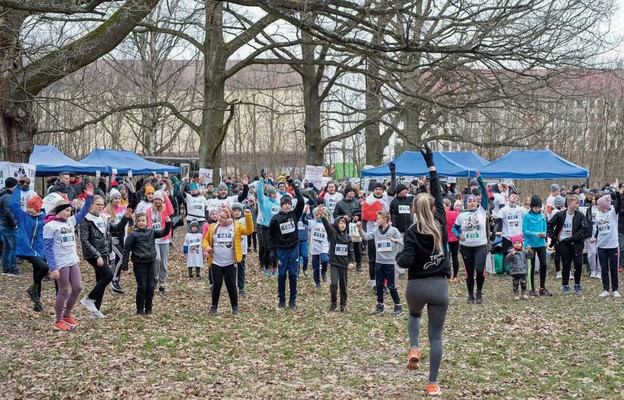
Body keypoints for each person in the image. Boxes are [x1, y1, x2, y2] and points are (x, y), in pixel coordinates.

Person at [396, 144, 450, 397]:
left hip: (416, 286)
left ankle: (414, 347)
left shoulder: (410, 232)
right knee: (437, 337)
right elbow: (438, 196)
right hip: (439, 287)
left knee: (415, 316)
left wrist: (400, 254)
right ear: (432, 208)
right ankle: (432, 383)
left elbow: (404, 261)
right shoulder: (441, 224)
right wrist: (432, 167)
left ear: (414, 209)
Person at [43, 188, 93, 331]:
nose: (69, 213)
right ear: (59, 210)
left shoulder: (70, 221)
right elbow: (47, 248)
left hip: (72, 259)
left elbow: (83, 212)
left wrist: (89, 198)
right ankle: (58, 320)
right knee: (63, 290)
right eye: (66, 211)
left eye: (70, 211)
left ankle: (67, 315)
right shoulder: (50, 226)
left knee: (78, 287)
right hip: (60, 262)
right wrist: (53, 268)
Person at [79, 195, 132, 318]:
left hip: (104, 252)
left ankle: (95, 311)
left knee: (100, 280)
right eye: (97, 204)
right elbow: (84, 240)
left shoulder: (104, 217)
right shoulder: (86, 220)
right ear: (91, 205)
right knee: (108, 275)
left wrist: (125, 218)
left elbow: (116, 229)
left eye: (102, 204)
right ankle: (89, 298)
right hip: (93, 254)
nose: (100, 207)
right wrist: (96, 255)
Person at [202, 207, 253, 315]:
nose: (220, 219)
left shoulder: (236, 227)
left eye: (223, 217)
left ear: (229, 219)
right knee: (217, 284)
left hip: (230, 262)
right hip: (216, 262)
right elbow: (205, 239)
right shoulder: (213, 227)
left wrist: (248, 216)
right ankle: (214, 307)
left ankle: (235, 307)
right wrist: (206, 247)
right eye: (219, 216)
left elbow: (249, 231)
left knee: (231, 285)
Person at [121, 213, 172, 315]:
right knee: (142, 286)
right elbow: (126, 250)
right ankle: (140, 308)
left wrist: (168, 224)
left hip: (151, 262)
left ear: (147, 222)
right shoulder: (132, 235)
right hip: (139, 263)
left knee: (151, 286)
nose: (141, 223)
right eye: (139, 221)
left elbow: (163, 233)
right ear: (136, 222)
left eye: (143, 221)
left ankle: (149, 307)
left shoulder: (151, 232)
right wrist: (125, 266)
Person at [452, 171, 489, 304]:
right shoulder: (461, 215)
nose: (472, 203)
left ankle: (479, 291)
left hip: (480, 246)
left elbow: (484, 193)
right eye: (469, 201)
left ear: (477, 202)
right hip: (466, 247)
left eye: (474, 201)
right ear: (466, 203)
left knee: (479, 269)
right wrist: (458, 235)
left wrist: (479, 179)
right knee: (469, 272)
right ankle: (470, 295)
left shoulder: (482, 210)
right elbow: (454, 228)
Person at [358, 211, 404, 316]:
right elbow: (365, 236)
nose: (376, 220)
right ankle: (380, 305)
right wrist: (360, 229)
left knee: (391, 286)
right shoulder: (375, 231)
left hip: (390, 263)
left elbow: (403, 241)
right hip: (379, 262)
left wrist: (395, 241)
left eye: (378, 218)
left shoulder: (393, 230)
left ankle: (398, 305)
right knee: (379, 285)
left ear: (385, 219)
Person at [268, 183, 305, 310]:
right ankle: (282, 299)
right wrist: (272, 251)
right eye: (285, 204)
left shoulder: (294, 215)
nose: (287, 205)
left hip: (293, 248)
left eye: (289, 203)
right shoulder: (275, 219)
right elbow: (271, 237)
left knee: (293, 275)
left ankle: (293, 300)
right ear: (281, 205)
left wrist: (294, 186)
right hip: (281, 250)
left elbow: (301, 201)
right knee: (282, 275)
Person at [9, 186, 46, 311]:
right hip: (27, 250)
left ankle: (37, 303)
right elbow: (13, 204)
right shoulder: (23, 216)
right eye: (27, 207)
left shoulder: (44, 219)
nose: (28, 209)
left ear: (37, 208)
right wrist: (19, 188)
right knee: (44, 268)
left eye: (30, 207)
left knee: (38, 274)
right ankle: (32, 288)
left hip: (40, 251)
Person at [547, 194, 590, 294]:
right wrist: (553, 236)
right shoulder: (560, 215)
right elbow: (549, 225)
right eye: (576, 203)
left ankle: (577, 284)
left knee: (578, 264)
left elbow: (583, 230)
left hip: (576, 243)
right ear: (569, 203)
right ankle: (565, 285)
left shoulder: (580, 216)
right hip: (563, 243)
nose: (577, 205)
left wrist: (573, 238)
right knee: (566, 264)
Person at [318, 208, 355, 312]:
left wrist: (351, 262)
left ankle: (343, 304)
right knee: (334, 284)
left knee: (344, 286)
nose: (342, 225)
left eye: (344, 223)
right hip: (334, 263)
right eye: (340, 223)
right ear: (336, 224)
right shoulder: (332, 234)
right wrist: (322, 217)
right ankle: (333, 303)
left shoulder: (348, 237)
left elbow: (351, 252)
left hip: (344, 264)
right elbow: (327, 226)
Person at [593, 185, 621, 298]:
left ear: (603, 206)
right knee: (604, 268)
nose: (597, 206)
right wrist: (594, 237)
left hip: (613, 245)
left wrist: (617, 192)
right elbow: (599, 228)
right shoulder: (598, 214)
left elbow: (620, 204)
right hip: (601, 246)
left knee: (613, 268)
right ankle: (605, 289)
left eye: (598, 205)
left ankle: (615, 289)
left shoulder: (613, 213)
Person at [522, 195, 551, 297]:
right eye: (535, 207)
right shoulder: (526, 216)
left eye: (538, 207)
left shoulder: (542, 216)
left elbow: (544, 229)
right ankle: (532, 288)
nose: (537, 209)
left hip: (541, 243)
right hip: (530, 244)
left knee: (543, 264)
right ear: (531, 207)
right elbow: (524, 231)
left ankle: (542, 287)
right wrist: (535, 233)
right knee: (532, 266)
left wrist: (543, 234)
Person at [146, 190, 174, 293]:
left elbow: (172, 212)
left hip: (165, 238)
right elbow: (146, 222)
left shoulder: (165, 209)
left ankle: (162, 282)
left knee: (164, 262)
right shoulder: (149, 210)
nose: (157, 201)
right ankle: (155, 277)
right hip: (154, 238)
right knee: (156, 259)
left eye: (159, 200)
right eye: (156, 199)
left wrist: (166, 198)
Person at [257, 171, 281, 276]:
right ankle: (266, 267)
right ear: (269, 194)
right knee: (267, 249)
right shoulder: (264, 201)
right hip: (265, 228)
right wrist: (261, 181)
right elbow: (259, 192)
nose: (274, 195)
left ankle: (275, 267)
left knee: (275, 248)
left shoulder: (278, 204)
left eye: (275, 193)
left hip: (275, 229)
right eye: (272, 193)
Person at [0, 177, 20, 276]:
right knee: (14, 248)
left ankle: (5, 268)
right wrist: (14, 225)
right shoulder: (7, 197)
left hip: (3, 225)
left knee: (6, 248)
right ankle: (13, 269)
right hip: (9, 226)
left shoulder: (3, 195)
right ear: (13, 186)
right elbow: (8, 213)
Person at [506, 234, 530, 300]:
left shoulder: (524, 251)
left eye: (519, 243)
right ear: (513, 244)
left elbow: (530, 257)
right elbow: (507, 259)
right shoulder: (511, 251)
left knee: (523, 283)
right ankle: (516, 294)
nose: (517, 244)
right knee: (515, 283)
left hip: (523, 270)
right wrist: (511, 254)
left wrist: (530, 251)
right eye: (515, 243)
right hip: (514, 271)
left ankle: (524, 293)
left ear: (521, 243)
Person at [443, 199, 460, 282]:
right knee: (455, 257)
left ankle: (447, 275)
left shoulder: (442, 214)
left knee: (447, 258)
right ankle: (455, 276)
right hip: (455, 238)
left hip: (445, 238)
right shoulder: (455, 214)